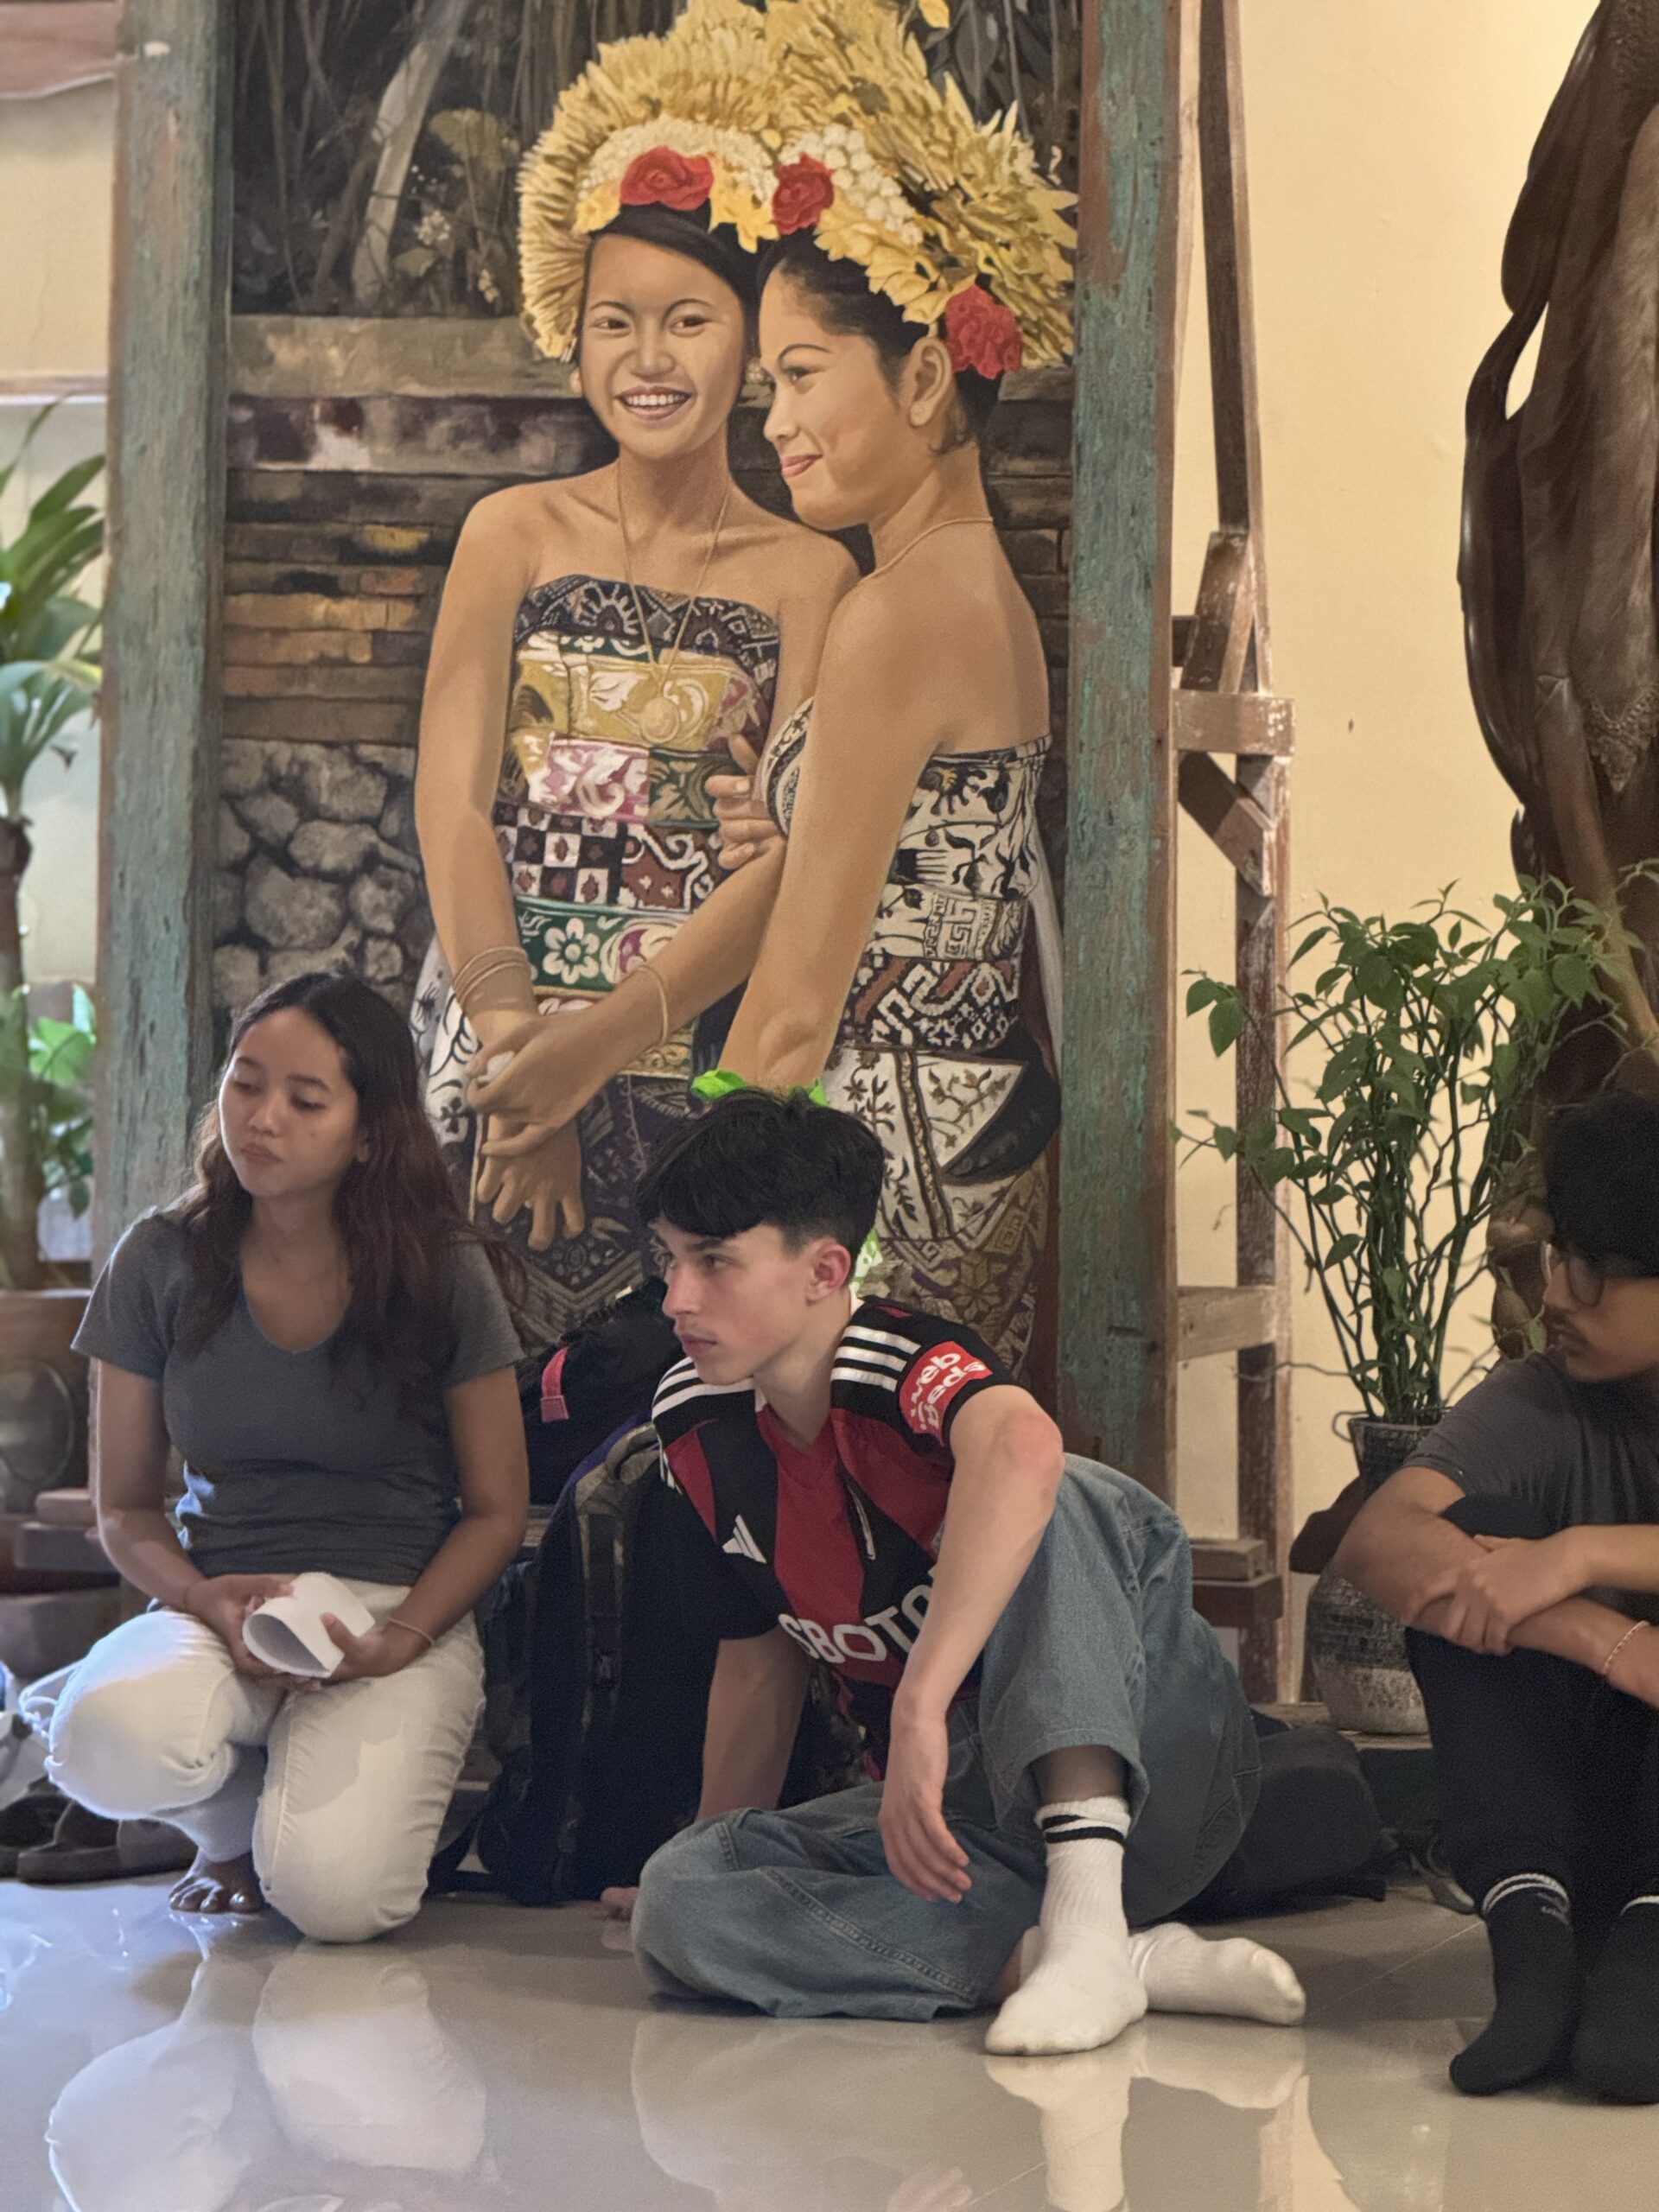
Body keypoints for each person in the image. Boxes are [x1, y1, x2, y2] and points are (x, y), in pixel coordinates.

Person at [470, 0, 1071, 1373]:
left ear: (926, 376)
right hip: (969, 1126)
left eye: (803, 377)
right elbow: (918, 865)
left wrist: (688, 1228)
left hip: (874, 1165)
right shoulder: (976, 587)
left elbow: (795, 1012)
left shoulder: (892, 614)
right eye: (773, 391)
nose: (781, 422)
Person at [604, 1092, 1303, 2055]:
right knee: (679, 1902)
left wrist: (919, 1704)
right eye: (670, 1261)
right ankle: (1095, 1956)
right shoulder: (696, 1420)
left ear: (825, 1270)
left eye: (714, 1261)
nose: (678, 1297)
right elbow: (759, 1663)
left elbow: (1021, 1444)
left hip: (1156, 1777)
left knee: (1063, 1486)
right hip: (965, 1818)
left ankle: (1091, 1907)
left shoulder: (897, 1363)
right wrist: (721, 1859)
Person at [413, 0, 855, 1341]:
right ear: (577, 336)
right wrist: (518, 1062)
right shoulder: (511, 534)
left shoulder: (811, 577)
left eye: (688, 322)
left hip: (698, 1041)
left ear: (751, 343)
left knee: (670, 1372)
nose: (647, 361)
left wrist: (595, 1050)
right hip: (497, 1034)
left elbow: (796, 854)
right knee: (471, 1382)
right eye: (616, 323)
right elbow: (451, 806)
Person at [37, 973, 528, 1942]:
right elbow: (125, 1509)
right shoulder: (161, 1257)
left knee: (337, 1905)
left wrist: (403, 1640)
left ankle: (340, 1795)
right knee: (100, 1743)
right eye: (245, 1081)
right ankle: (227, 1827)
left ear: (371, 1130)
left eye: (305, 1101)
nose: (260, 1118)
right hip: (225, 1602)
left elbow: (497, 1510)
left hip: (394, 1610)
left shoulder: (440, 1266)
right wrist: (200, 1600)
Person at [1336, 1090, 1659, 2102]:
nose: (1557, 1291)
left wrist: (1579, 1554)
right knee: (1484, 1540)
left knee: (1524, 1552)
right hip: (1574, 1820)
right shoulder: (1545, 1397)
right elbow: (1379, 1540)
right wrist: (1600, 1631)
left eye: (1594, 1270)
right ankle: (1533, 1949)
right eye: (1560, 1251)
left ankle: (1645, 1959)